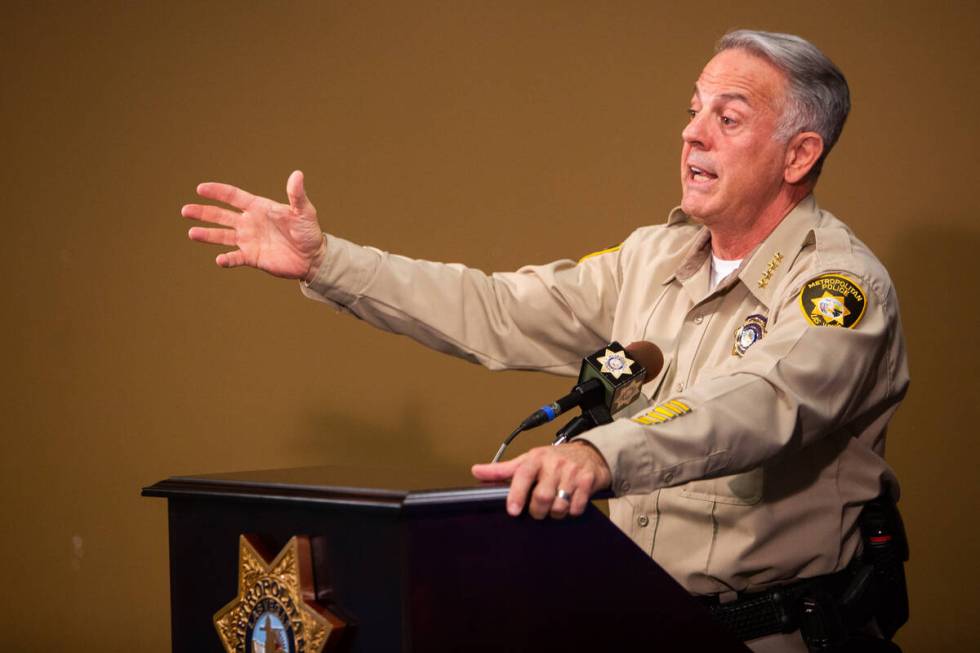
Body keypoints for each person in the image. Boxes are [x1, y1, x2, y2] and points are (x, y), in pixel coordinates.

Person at [183, 30, 908, 652]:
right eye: (693, 111)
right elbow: (497, 307)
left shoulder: (841, 288)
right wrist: (327, 261)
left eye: (729, 117)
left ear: (798, 154)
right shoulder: (653, 257)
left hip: (768, 636)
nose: (693, 133)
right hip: (629, 621)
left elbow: (757, 403)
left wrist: (599, 452)